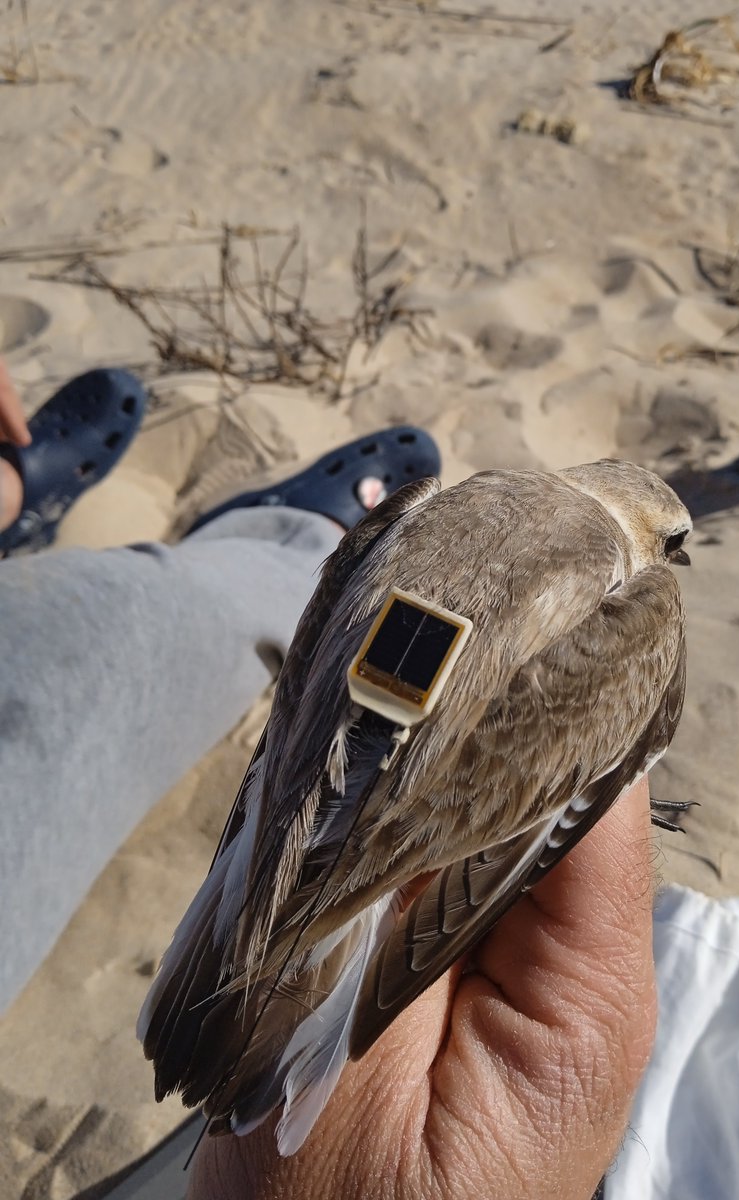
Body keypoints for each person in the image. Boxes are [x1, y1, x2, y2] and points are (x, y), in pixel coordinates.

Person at [0, 364, 656, 1200]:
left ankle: (259, 537)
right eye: (668, 549)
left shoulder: (468, 502)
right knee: (143, 625)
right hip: (315, 955)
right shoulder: (641, 610)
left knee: (130, 623)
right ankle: (279, 545)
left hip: (323, 793)